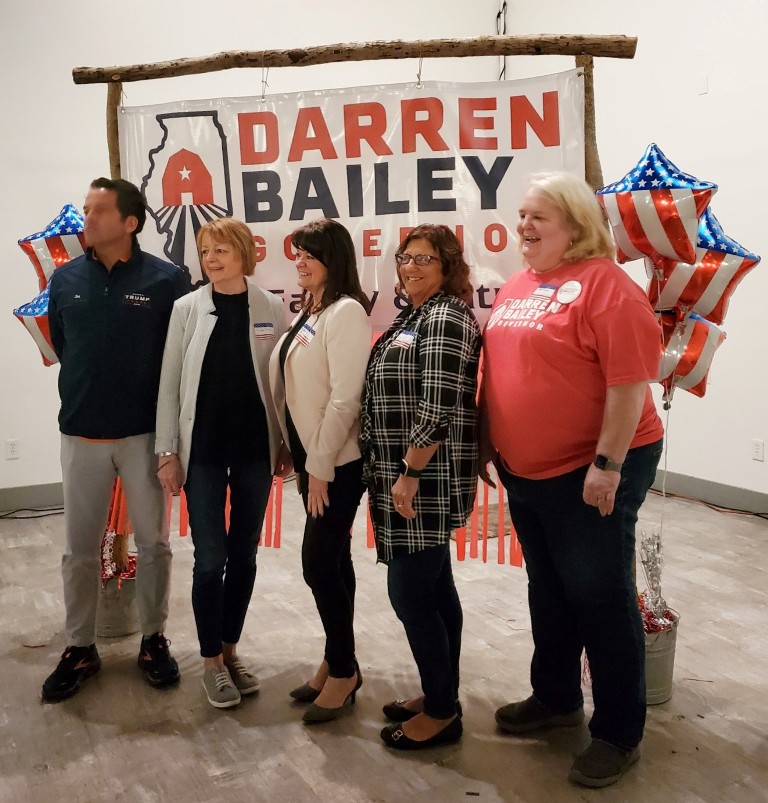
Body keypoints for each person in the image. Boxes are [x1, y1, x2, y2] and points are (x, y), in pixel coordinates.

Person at [480, 171, 664, 788]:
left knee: (600, 594)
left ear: (576, 224)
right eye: (522, 215)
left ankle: (618, 732)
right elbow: (502, 369)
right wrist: (491, 441)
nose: (524, 226)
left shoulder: (608, 287)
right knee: (550, 587)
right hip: (527, 472)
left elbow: (628, 385)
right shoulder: (519, 284)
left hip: (594, 467)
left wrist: (607, 466)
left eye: (539, 216)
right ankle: (556, 698)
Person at [43, 177, 190, 702]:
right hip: (81, 433)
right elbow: (64, 346)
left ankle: (153, 639)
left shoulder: (167, 280)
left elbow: (179, 356)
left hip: (144, 435)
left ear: (130, 222)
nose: (88, 218)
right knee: (79, 551)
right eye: (86, 209)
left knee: (154, 545)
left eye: (99, 210)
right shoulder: (65, 279)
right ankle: (80, 647)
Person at [155, 217, 289, 709]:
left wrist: (286, 444)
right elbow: (169, 385)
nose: (211, 259)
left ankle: (231, 651)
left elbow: (282, 384)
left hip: (255, 449)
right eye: (205, 251)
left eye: (221, 250)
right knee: (211, 558)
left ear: (243, 254)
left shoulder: (270, 307)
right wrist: (167, 452)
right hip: (203, 452)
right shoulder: (186, 308)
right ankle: (211, 661)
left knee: (245, 554)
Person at [360, 224, 481, 750]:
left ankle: (441, 714)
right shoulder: (414, 314)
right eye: (405, 258)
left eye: (424, 259)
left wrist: (409, 473)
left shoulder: (446, 316)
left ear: (448, 265)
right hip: (406, 473)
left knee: (409, 594)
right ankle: (441, 694)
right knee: (435, 589)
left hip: (426, 477)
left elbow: (437, 405)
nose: (410, 267)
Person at [269, 218, 371, 724]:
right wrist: (294, 448)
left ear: (335, 259)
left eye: (310, 254)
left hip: (337, 464)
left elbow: (345, 398)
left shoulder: (346, 311)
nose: (300, 262)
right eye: (298, 254)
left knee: (318, 563)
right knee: (333, 561)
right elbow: (297, 390)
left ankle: (345, 670)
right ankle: (336, 659)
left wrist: (321, 466)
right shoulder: (312, 310)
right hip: (314, 459)